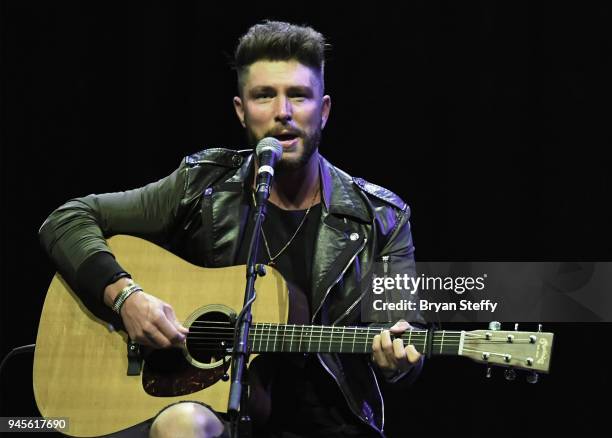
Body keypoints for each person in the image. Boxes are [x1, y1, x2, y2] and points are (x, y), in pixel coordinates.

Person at [39, 20, 424, 438]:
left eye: (298, 95)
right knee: (182, 424)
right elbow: (67, 219)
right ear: (241, 110)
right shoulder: (202, 185)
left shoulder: (381, 216)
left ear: (324, 110)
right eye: (265, 96)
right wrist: (126, 297)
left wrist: (404, 358)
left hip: (332, 425)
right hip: (216, 415)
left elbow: (406, 330)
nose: (284, 113)